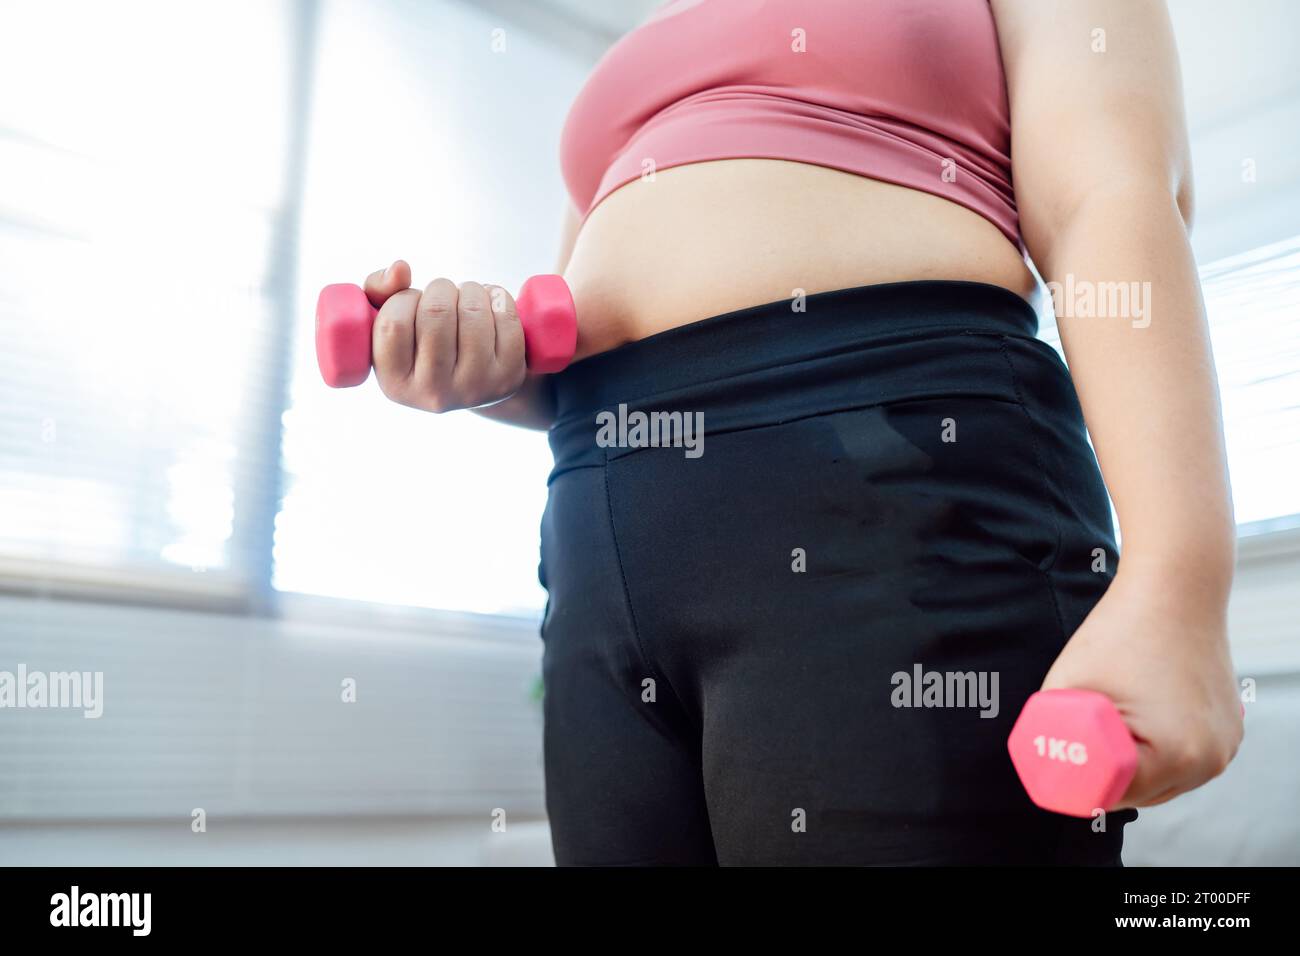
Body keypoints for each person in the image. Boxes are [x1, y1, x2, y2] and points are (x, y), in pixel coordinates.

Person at [355, 0, 1241, 864]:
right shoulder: (647, 30)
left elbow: (1105, 199)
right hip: (600, 523)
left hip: (888, 472)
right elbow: (558, 354)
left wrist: (1178, 580)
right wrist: (467, 359)